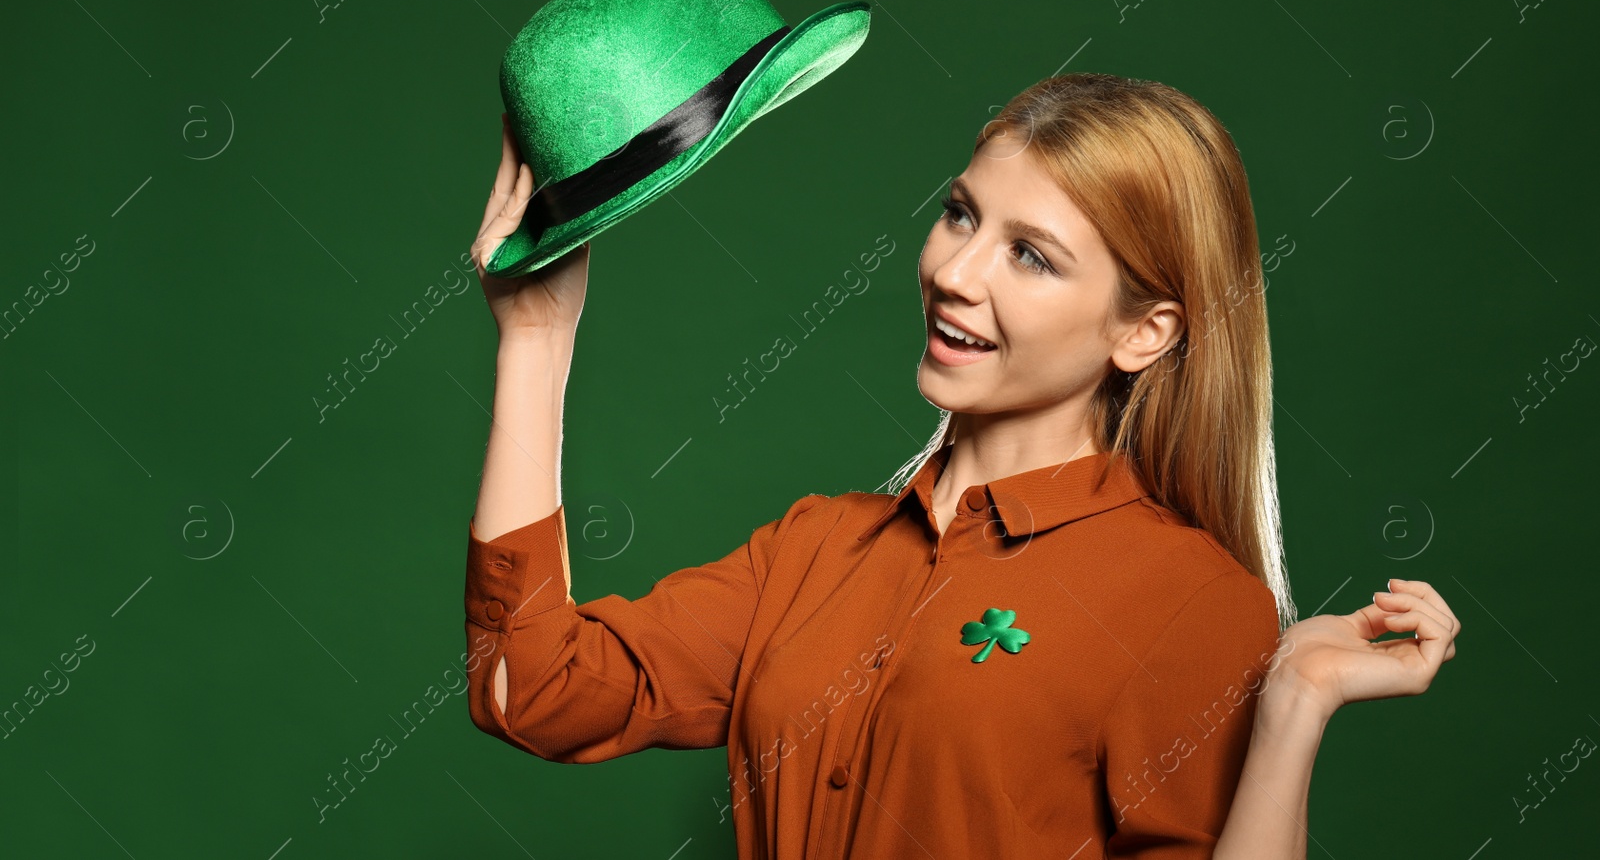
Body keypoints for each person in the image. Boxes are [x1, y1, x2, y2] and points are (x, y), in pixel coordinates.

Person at [462, 73, 1461, 860]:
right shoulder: (818, 546)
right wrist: (538, 339)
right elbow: (531, 687)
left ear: (1144, 330)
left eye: (1030, 254)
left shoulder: (1189, 600)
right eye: (960, 213)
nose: (954, 270)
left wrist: (1291, 706)